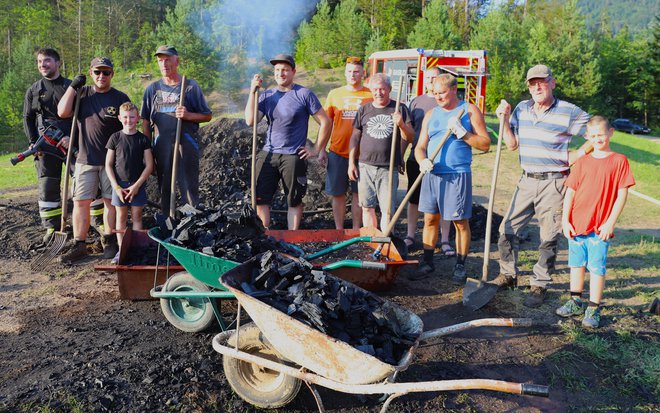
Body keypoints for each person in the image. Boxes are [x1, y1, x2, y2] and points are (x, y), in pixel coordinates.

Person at [495, 64, 593, 307]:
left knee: (548, 237)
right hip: (526, 180)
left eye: (542, 81)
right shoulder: (522, 108)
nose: (537, 86)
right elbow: (511, 144)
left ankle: (539, 284)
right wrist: (505, 121)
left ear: (553, 83)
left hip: (554, 182)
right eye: (532, 83)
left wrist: (579, 153)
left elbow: (596, 132)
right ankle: (508, 275)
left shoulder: (569, 112)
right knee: (506, 229)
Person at [556, 116, 634, 328]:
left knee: (596, 267)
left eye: (601, 134)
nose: (598, 139)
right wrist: (565, 220)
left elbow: (621, 194)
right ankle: (575, 301)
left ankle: (593, 307)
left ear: (610, 133)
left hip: (600, 226)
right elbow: (570, 192)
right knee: (576, 264)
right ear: (588, 137)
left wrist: (610, 222)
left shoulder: (619, 161)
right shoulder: (582, 162)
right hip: (577, 223)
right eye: (593, 136)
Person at [414, 74, 490, 281]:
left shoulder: (468, 110)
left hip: (457, 174)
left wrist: (463, 134)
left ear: (454, 89)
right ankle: (428, 263)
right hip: (432, 173)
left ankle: (460, 265)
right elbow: (420, 147)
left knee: (459, 221)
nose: (438, 97)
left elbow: (485, 144)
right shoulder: (431, 114)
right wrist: (422, 161)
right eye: (435, 93)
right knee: (430, 219)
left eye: (442, 93)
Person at [245, 53, 332, 230]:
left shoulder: (304, 94)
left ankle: (293, 238)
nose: (281, 73)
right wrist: (252, 92)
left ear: (293, 71)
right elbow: (250, 121)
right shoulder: (267, 95)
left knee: (294, 200)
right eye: (277, 70)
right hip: (269, 154)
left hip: (293, 156)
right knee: (261, 198)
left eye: (285, 70)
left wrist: (316, 149)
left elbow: (326, 121)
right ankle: (265, 235)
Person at [57, 57, 130, 263]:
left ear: (112, 74)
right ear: (91, 73)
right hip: (84, 159)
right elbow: (62, 112)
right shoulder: (82, 94)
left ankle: (108, 241)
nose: (101, 76)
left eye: (106, 72)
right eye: (97, 72)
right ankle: (79, 245)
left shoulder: (119, 97)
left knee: (110, 202)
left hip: (112, 161)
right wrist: (72, 87)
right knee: (80, 202)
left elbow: (130, 123)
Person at [141, 45, 212, 217]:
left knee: (188, 186)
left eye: (168, 60)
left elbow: (207, 115)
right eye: (160, 61)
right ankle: (168, 222)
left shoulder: (190, 87)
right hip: (162, 146)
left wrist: (188, 115)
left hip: (186, 145)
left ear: (177, 61)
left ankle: (192, 223)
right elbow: (144, 121)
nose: (164, 64)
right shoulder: (152, 89)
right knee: (165, 186)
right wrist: (146, 149)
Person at [348, 73, 414, 231]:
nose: (379, 92)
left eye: (383, 89)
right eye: (375, 89)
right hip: (365, 166)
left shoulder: (399, 108)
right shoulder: (364, 109)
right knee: (367, 207)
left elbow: (410, 136)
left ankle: (384, 243)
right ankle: (372, 243)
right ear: (371, 90)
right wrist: (351, 163)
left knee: (387, 210)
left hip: (388, 167)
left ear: (389, 89)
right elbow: (355, 138)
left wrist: (401, 124)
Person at [23, 48, 72, 243]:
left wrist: (72, 138)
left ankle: (91, 223)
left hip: (70, 142)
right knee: (47, 187)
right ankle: (52, 228)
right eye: (39, 61)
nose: (42, 65)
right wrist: (34, 143)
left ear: (58, 62)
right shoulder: (34, 90)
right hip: (45, 145)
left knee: (85, 186)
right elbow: (28, 118)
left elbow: (82, 116)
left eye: (47, 61)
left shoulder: (70, 86)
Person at [403, 66, 453, 255]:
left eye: (435, 77)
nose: (431, 80)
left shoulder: (448, 103)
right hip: (417, 158)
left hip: (441, 161)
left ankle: (445, 239)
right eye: (429, 77)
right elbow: (407, 133)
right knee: (413, 198)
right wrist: (402, 155)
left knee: (442, 202)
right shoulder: (416, 101)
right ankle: (410, 235)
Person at [320, 56, 372, 229]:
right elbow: (326, 125)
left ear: (363, 73)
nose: (353, 75)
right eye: (349, 71)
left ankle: (356, 230)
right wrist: (321, 149)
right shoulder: (335, 94)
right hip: (338, 152)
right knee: (338, 194)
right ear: (345, 73)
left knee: (359, 195)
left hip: (363, 154)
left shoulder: (370, 94)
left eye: (356, 71)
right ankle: (339, 230)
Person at [105, 102, 154, 264]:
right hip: (119, 186)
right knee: (121, 218)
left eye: (132, 117)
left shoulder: (142, 140)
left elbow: (149, 165)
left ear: (138, 118)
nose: (129, 120)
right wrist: (116, 187)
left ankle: (137, 251)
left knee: (137, 217)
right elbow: (108, 165)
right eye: (125, 117)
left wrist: (137, 186)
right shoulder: (115, 138)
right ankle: (121, 251)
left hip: (137, 186)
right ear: (120, 118)